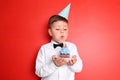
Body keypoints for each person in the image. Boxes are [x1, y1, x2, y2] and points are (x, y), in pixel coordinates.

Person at [35, 15, 83, 80]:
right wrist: (54, 65)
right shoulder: (44, 49)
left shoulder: (72, 47)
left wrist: (73, 64)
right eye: (57, 29)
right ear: (50, 32)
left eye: (65, 29)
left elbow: (79, 68)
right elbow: (39, 72)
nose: (62, 31)